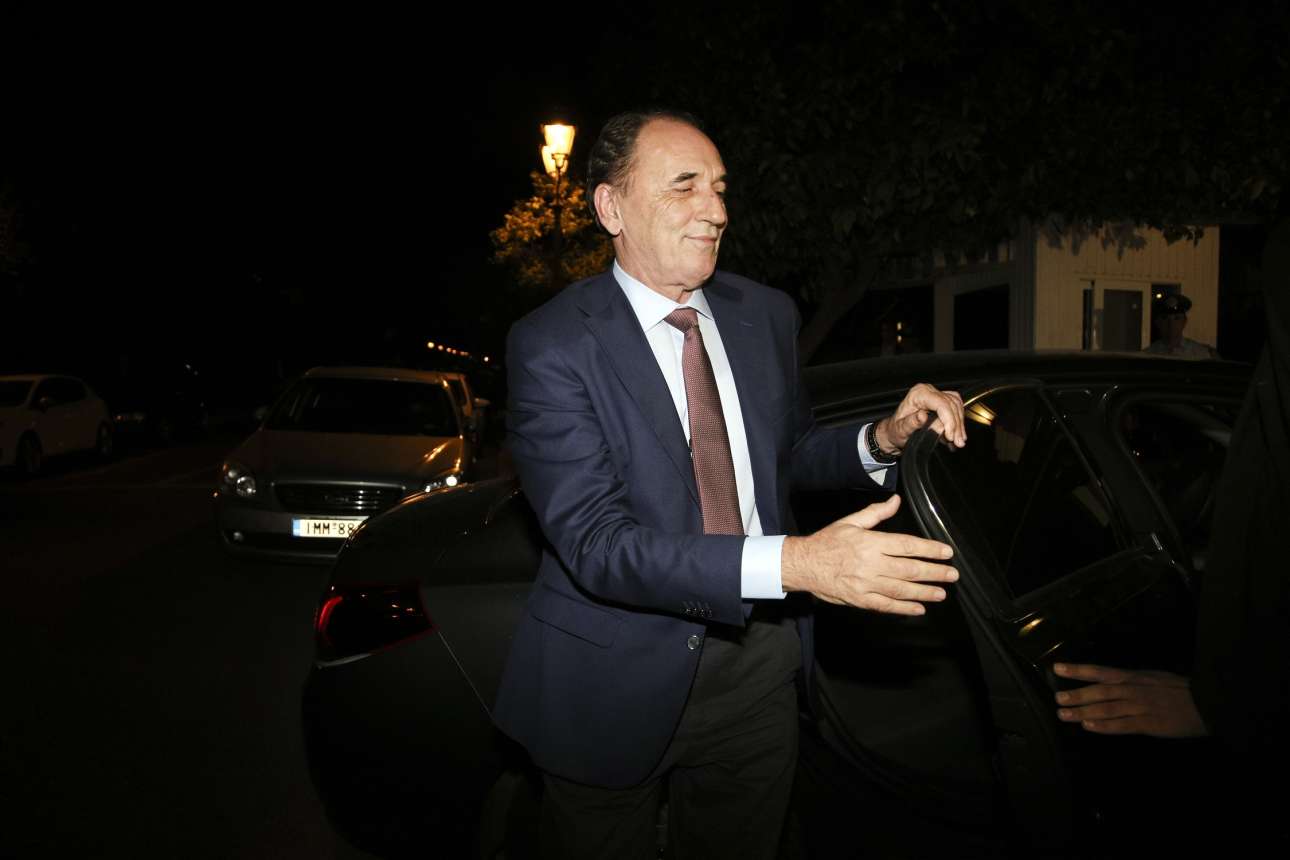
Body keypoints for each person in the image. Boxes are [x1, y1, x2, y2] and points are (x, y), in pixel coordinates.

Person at [491, 109, 966, 860]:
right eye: (684, 187)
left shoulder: (763, 314)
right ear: (611, 207)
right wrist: (798, 563)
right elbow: (598, 545)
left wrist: (883, 437)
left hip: (759, 664)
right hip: (611, 676)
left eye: (719, 188)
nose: (715, 210)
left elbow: (787, 455)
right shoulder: (553, 343)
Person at [1143, 292, 1218, 358]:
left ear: (1184, 322)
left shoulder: (1199, 353)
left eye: (1176, 318)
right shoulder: (1148, 354)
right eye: (1165, 318)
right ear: (1157, 322)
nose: (1171, 324)